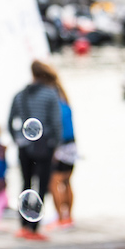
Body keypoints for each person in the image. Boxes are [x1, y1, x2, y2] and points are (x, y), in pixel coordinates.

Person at [8, 60, 63, 241]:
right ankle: (34, 228)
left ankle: (23, 226)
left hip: (24, 147)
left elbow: (10, 122)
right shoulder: (50, 94)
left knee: (25, 184)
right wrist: (55, 145)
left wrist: (18, 139)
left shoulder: (19, 95)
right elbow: (56, 123)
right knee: (41, 187)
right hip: (45, 146)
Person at [48, 68, 77, 229]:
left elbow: (56, 130)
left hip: (61, 146)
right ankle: (69, 217)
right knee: (67, 181)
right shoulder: (66, 104)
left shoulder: (55, 107)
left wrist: (53, 150)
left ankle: (60, 218)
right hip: (72, 146)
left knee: (54, 182)